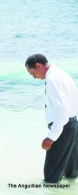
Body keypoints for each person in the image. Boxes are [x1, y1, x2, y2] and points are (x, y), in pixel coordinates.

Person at [25, 54, 78, 183]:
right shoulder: (62, 73)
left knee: (51, 176)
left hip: (63, 128)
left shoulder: (53, 79)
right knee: (71, 174)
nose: (34, 77)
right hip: (73, 125)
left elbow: (61, 109)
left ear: (38, 66)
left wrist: (52, 135)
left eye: (33, 73)